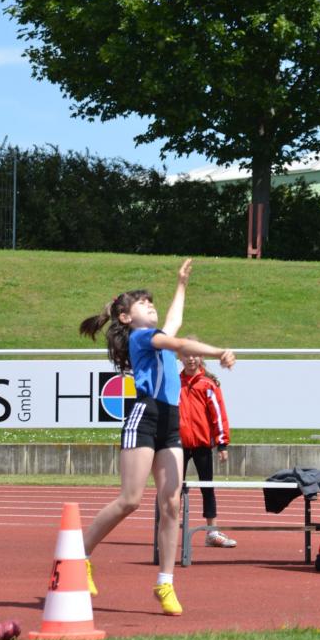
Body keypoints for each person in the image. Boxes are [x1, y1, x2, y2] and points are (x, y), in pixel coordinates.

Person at [78, 259, 235, 615]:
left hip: (170, 422)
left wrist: (181, 284)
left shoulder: (156, 335)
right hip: (145, 417)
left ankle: (165, 583)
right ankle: (79, 555)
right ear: (125, 318)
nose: (150, 305)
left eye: (152, 302)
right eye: (142, 303)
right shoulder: (141, 337)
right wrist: (218, 352)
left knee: (172, 503)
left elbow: (174, 323)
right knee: (130, 500)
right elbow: (178, 339)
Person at [178, 344, 237, 548]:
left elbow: (218, 416)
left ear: (201, 357)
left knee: (207, 487)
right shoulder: (174, 383)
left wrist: (222, 444)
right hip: (177, 446)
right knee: (173, 489)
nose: (191, 359)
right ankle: (167, 528)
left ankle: (212, 532)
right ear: (180, 358)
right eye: (186, 355)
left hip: (202, 445)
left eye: (195, 355)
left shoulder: (208, 384)